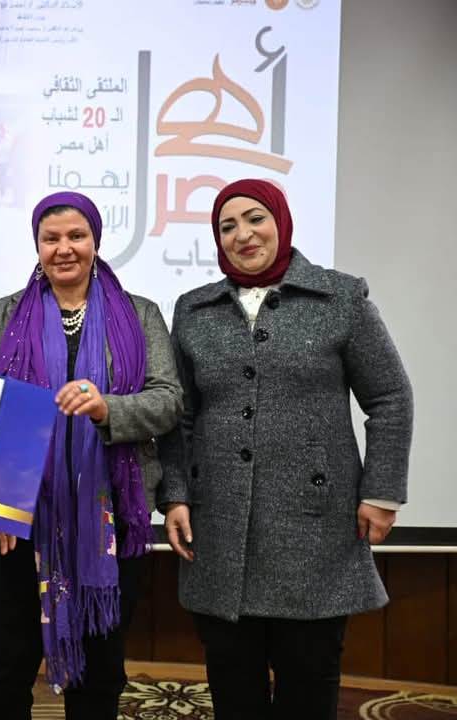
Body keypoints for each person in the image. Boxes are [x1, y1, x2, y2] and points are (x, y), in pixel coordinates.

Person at [159, 178, 414, 719]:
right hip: (219, 527)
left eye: (256, 219)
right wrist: (175, 494)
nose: (243, 235)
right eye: (228, 226)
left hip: (314, 528)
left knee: (308, 682)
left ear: (281, 222)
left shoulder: (340, 298)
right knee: (233, 685)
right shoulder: (194, 310)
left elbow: (390, 397)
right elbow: (180, 415)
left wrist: (382, 492)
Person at [0, 191, 182, 719]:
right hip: (16, 521)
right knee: (5, 668)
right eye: (51, 238)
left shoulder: (140, 314)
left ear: (95, 241)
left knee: (101, 672)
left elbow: (169, 400)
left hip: (107, 520)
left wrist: (108, 409)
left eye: (76, 236)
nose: (64, 249)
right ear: (37, 245)